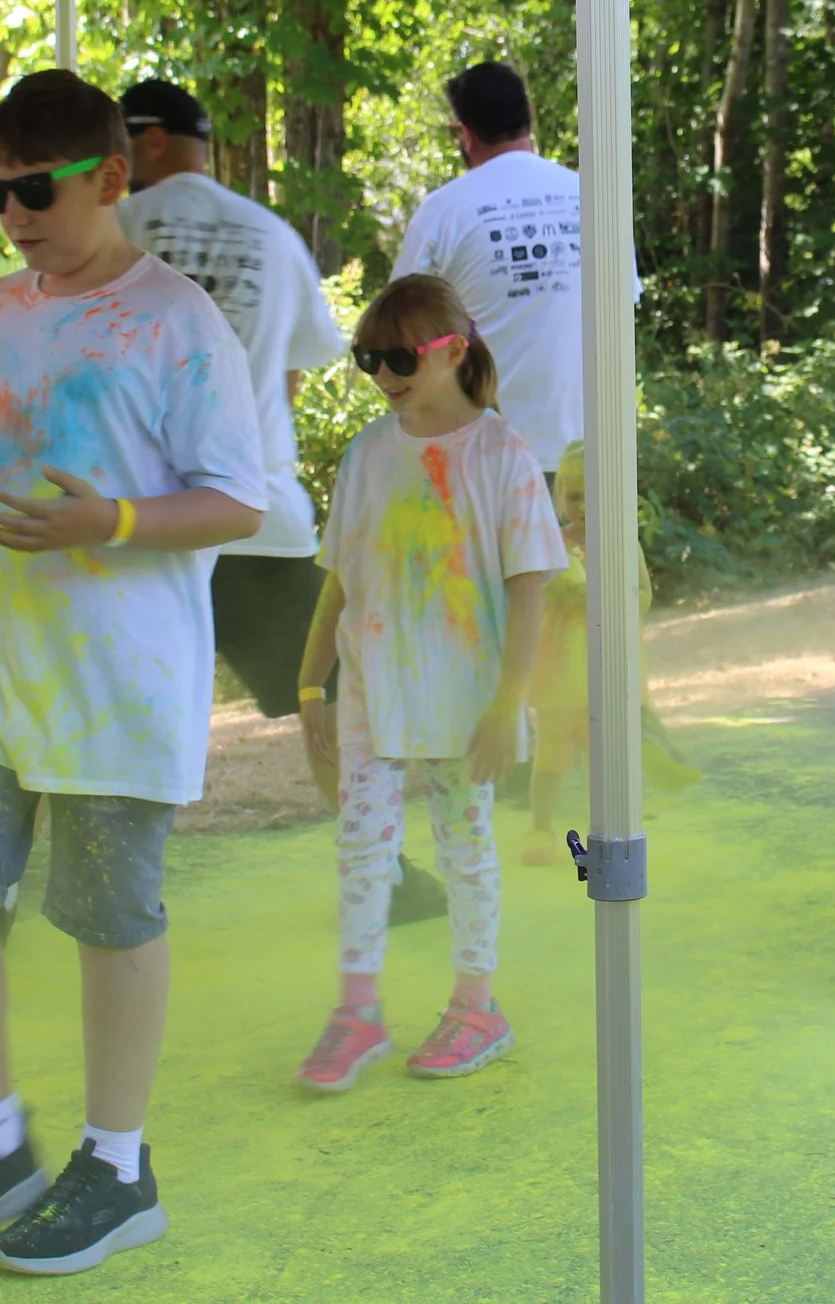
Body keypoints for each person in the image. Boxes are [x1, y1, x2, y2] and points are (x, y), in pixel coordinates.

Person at [0, 70, 268, 1276]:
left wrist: (116, 524)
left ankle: (117, 1161)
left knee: (107, 912)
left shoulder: (178, 316)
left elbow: (239, 499)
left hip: (117, 677)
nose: (13, 212)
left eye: (33, 188)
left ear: (110, 177)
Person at [294, 274, 564, 1091]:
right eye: (368, 357)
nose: (384, 373)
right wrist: (310, 684)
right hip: (373, 687)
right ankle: (358, 1010)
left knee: (465, 842)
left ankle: (477, 1005)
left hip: (466, 693)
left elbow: (532, 589)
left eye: (400, 355)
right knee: (361, 844)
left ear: (453, 348)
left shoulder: (503, 454)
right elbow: (340, 576)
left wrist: (509, 702)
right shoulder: (369, 452)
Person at [116, 79, 346, 720]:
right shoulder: (270, 234)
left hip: (136, 526)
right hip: (256, 511)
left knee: (120, 730)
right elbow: (292, 376)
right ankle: (385, 819)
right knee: (335, 708)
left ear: (152, 140)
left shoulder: (109, 231)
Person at [393, 61, 636, 477]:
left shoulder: (444, 212)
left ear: (466, 134)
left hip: (479, 461)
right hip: (592, 460)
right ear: (528, 119)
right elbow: (622, 308)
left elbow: (396, 335)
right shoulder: (593, 195)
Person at [520, 439, 699, 870]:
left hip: (609, 666)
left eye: (594, 494)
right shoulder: (551, 543)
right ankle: (540, 828)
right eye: (575, 495)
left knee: (606, 752)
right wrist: (558, 591)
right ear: (560, 493)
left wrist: (606, 594)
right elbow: (532, 595)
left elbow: (643, 596)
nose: (584, 505)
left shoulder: (622, 541)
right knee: (552, 754)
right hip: (561, 665)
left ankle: (607, 831)